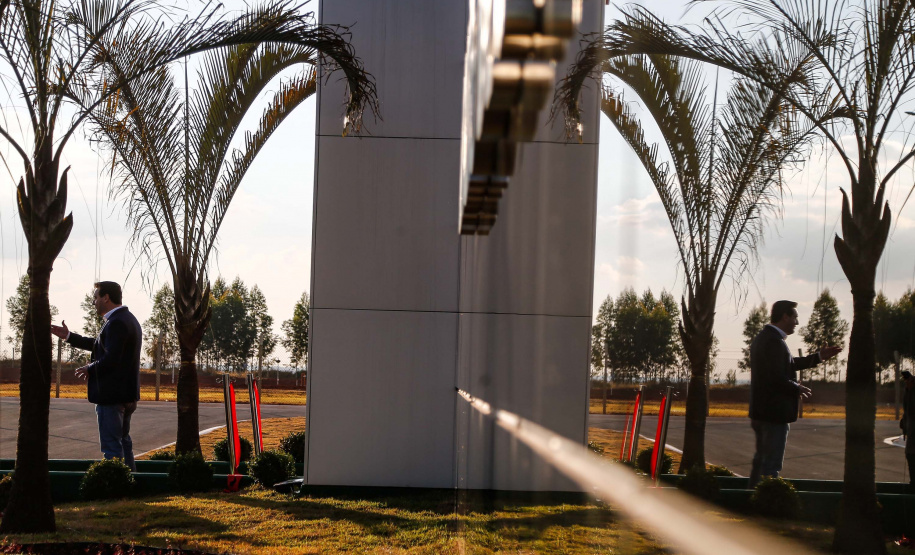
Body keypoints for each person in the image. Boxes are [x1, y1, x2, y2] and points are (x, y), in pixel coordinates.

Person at [748, 300, 842, 488]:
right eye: (795, 318)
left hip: (764, 412)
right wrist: (795, 387)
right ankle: (765, 500)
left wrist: (819, 357)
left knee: (763, 462)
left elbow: (786, 366)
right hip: (773, 413)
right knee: (771, 464)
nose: (796, 323)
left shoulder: (768, 338)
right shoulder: (773, 341)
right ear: (785, 316)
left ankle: (754, 497)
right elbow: (774, 376)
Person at [51, 281, 142, 471]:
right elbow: (100, 346)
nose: (94, 302)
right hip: (126, 394)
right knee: (124, 442)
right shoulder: (126, 319)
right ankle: (131, 483)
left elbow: (111, 358)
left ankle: (116, 485)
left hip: (112, 396)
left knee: (112, 447)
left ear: (106, 298)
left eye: (96, 297)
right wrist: (69, 337)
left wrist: (90, 368)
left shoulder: (117, 322)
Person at [901, 371, 915, 485]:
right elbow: (907, 410)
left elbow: (911, 409)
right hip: (910, 428)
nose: (907, 382)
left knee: (911, 454)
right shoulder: (908, 391)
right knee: (910, 454)